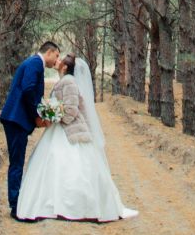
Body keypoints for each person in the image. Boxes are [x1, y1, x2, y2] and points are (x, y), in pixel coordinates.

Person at [14, 53, 138, 223]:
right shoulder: (64, 81)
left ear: (65, 67)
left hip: (68, 129)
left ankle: (74, 206)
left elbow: (71, 110)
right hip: (59, 128)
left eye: (60, 59)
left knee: (70, 164)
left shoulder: (69, 82)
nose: (57, 60)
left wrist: (54, 116)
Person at [0, 40, 59, 220]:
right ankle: (15, 207)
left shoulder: (34, 63)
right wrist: (37, 116)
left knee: (17, 162)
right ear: (49, 52)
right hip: (16, 119)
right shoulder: (35, 63)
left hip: (15, 119)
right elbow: (28, 89)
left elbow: (29, 91)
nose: (56, 60)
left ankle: (17, 203)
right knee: (16, 163)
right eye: (56, 56)